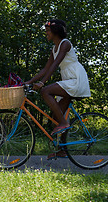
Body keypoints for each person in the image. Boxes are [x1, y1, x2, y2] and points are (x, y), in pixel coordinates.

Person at [25, 19, 91, 159]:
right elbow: (46, 68)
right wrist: (29, 81)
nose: (46, 34)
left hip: (75, 79)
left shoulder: (65, 43)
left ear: (55, 31)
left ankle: (64, 123)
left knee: (46, 91)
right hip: (68, 80)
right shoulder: (53, 48)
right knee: (58, 115)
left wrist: (42, 83)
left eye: (48, 31)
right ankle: (63, 150)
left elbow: (55, 65)